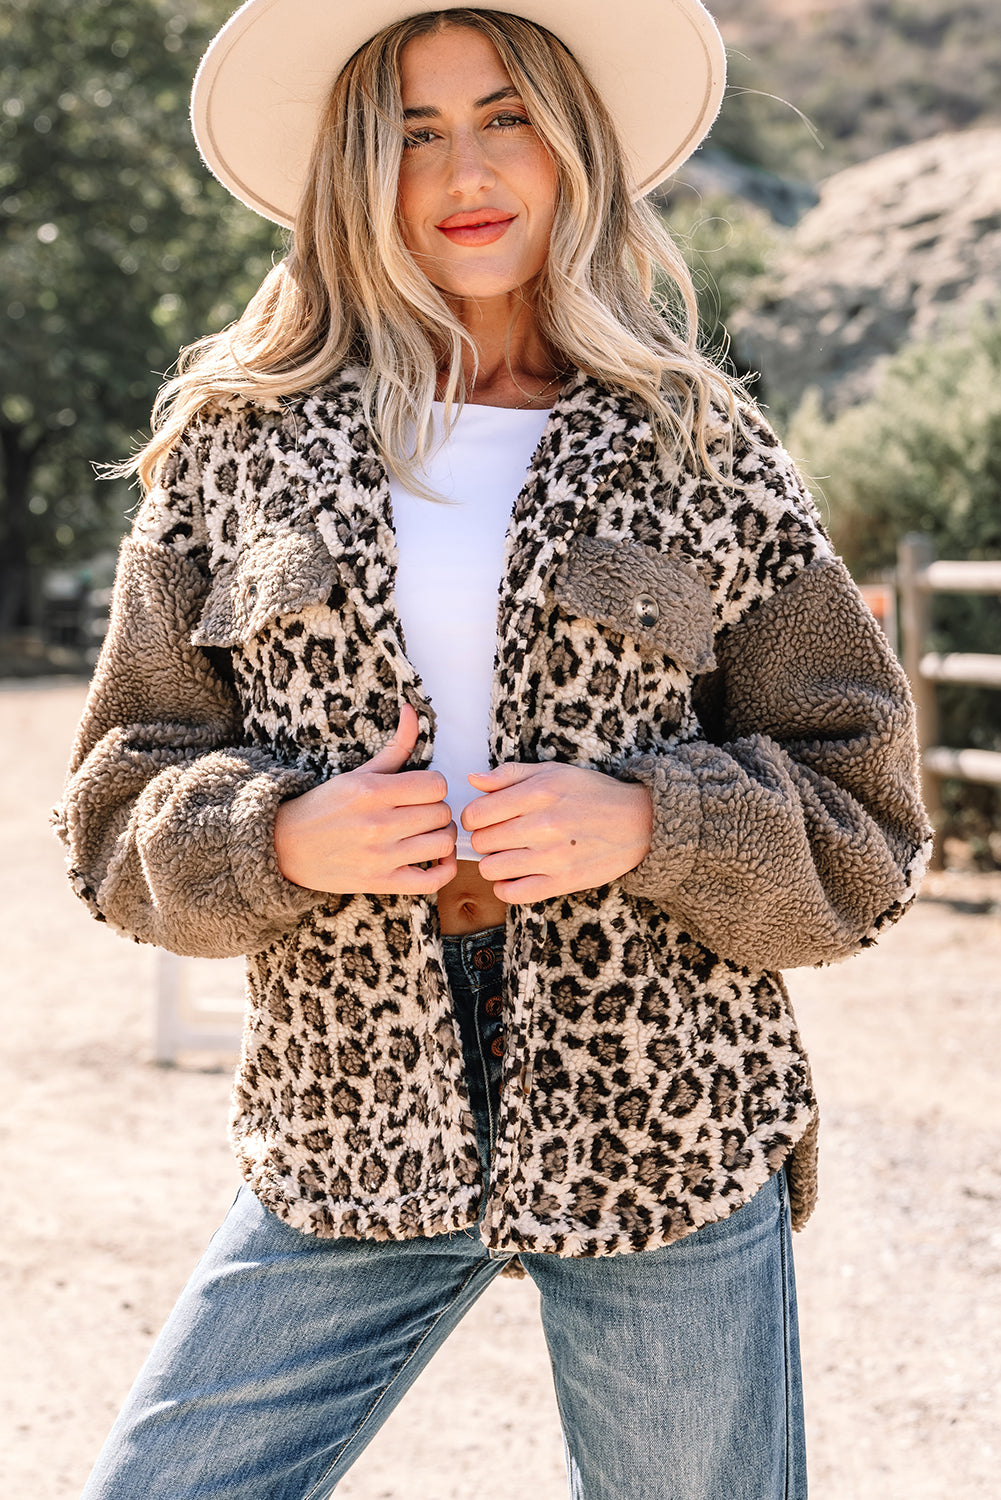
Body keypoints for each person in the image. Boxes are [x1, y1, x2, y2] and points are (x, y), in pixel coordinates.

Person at [55, 3, 932, 1496]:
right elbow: (115, 807)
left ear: (572, 145)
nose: (465, 171)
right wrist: (279, 838)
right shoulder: (233, 449)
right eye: (412, 133)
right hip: (346, 1110)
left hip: (663, 1110)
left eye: (505, 117)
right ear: (354, 169)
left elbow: (866, 816)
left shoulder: (703, 453)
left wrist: (653, 822)